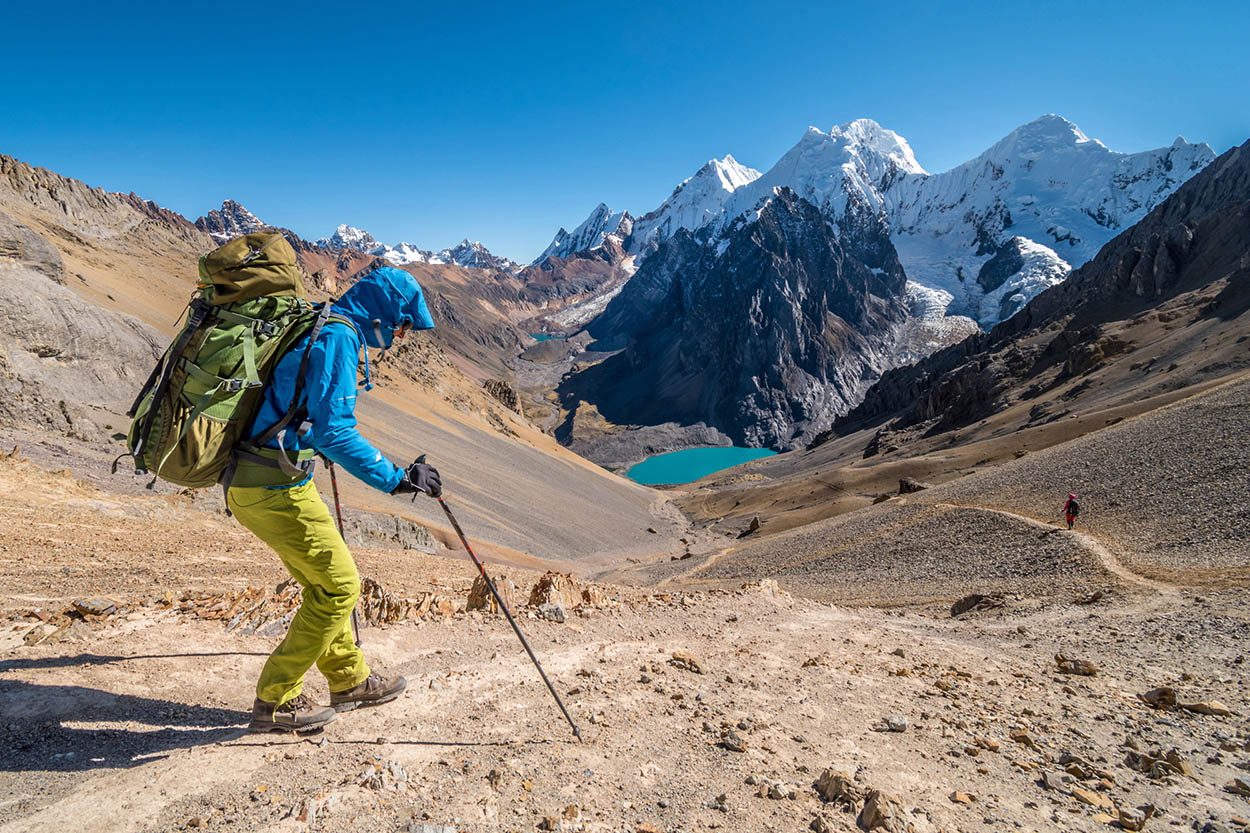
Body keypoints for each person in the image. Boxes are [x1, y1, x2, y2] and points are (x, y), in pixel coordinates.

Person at [228, 266, 443, 733]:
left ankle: (348, 680)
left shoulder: (320, 320)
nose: (403, 336)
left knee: (326, 582)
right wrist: (399, 479)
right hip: (271, 486)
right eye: (404, 324)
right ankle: (275, 701)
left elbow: (304, 412)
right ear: (385, 313)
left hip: (263, 478)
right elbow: (335, 431)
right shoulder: (341, 339)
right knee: (341, 586)